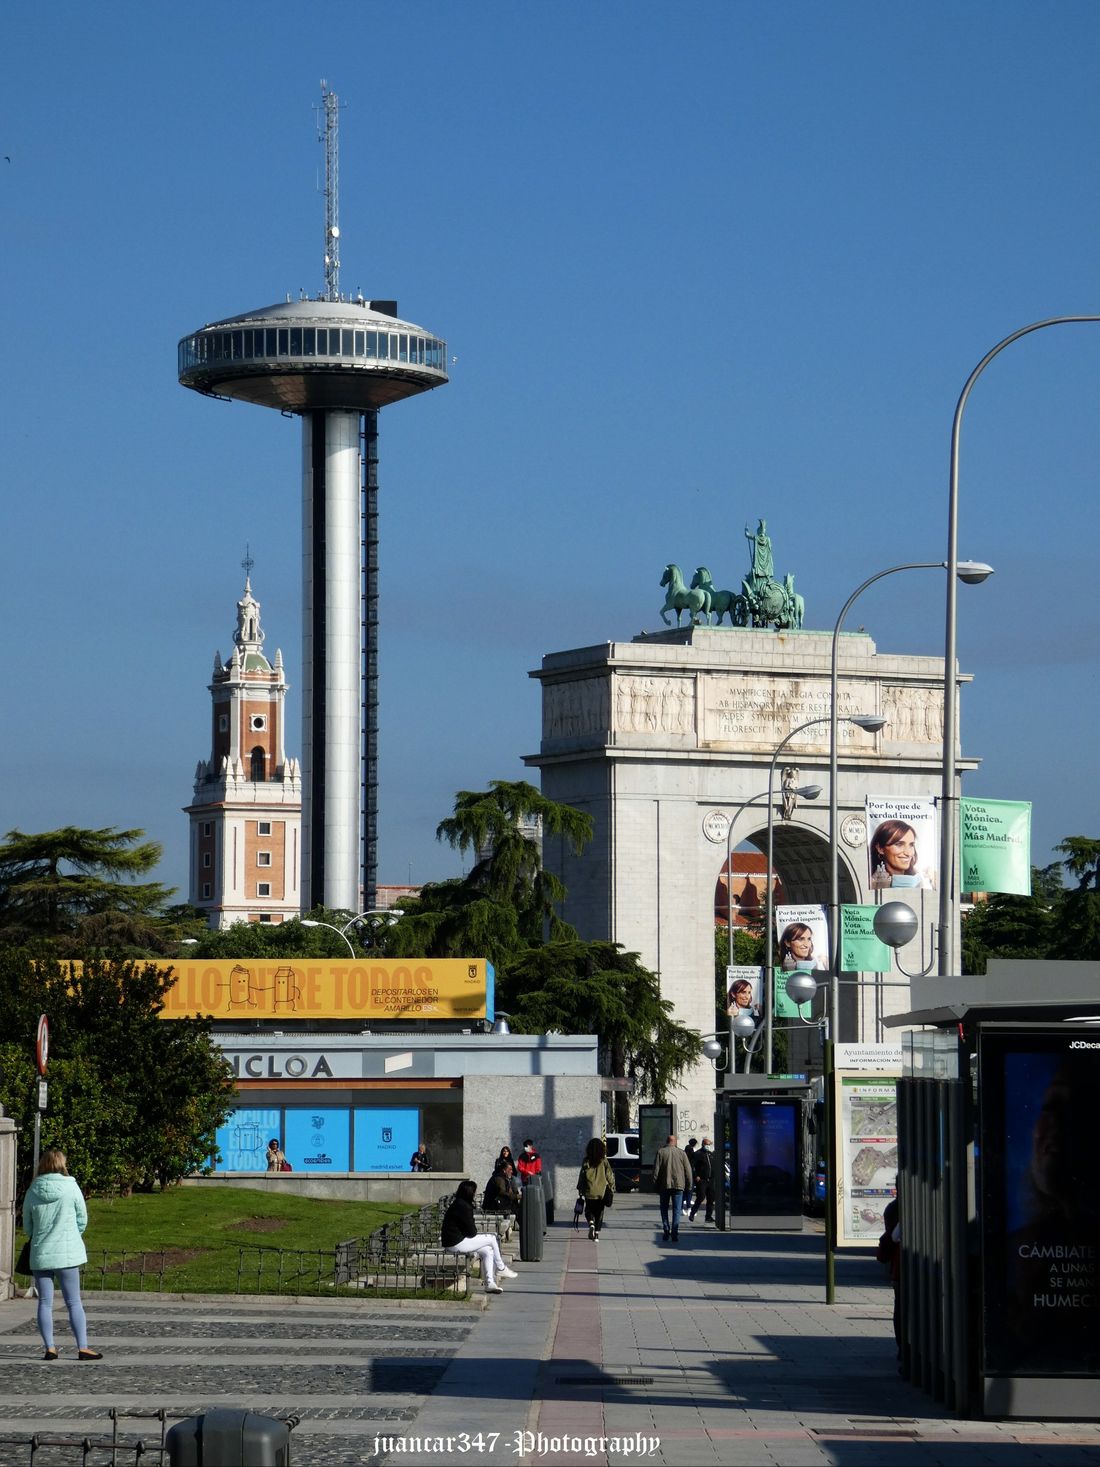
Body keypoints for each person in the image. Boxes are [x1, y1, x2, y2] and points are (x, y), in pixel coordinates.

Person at [21, 1149, 101, 1361]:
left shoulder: (32, 1190)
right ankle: (83, 1347)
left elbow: (27, 1225)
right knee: (74, 1301)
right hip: (67, 1253)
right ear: (62, 1164)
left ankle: (50, 1347)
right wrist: (73, 1235)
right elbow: (82, 1218)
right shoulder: (71, 1187)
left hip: (41, 1253)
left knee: (45, 1302)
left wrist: (38, 1236)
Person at [441, 1179, 519, 1295]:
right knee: (492, 1238)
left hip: (454, 1241)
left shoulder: (459, 1203)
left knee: (487, 1250)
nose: (475, 1194)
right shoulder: (464, 1207)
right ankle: (501, 1268)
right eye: (474, 1192)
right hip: (455, 1244)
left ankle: (490, 1284)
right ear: (470, 1193)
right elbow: (472, 1232)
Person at [869, 819, 935, 890]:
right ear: (880, 848)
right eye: (899, 844)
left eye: (911, 845)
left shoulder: (923, 878)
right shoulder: (870, 883)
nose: (908, 853)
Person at [652, 1134, 694, 1242]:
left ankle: (666, 1228)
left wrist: (655, 1184)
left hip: (664, 1185)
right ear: (675, 1142)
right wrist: (689, 1186)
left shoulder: (661, 1152)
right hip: (679, 1185)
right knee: (676, 1210)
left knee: (664, 1208)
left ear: (667, 1141)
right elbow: (688, 1171)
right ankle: (675, 1232)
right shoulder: (682, 1153)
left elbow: (656, 1170)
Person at [876, 1187, 901, 1358]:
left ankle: (902, 1346)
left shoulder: (892, 1207)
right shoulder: (902, 1208)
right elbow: (895, 1236)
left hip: (898, 1268)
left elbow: (892, 1237)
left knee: (900, 1307)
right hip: (902, 1267)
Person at [576, 1137, 615, 1241]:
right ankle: (596, 1234)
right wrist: (612, 1187)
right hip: (601, 1191)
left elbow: (582, 1176)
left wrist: (580, 1188)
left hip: (589, 1191)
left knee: (588, 1210)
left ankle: (591, 1224)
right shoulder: (604, 1161)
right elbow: (610, 1175)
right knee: (599, 1212)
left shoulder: (586, 1161)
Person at [689, 1136, 715, 1223]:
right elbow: (691, 1166)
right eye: (707, 1144)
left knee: (711, 1198)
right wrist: (695, 1176)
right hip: (702, 1180)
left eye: (709, 1145)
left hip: (711, 1180)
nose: (708, 1146)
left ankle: (708, 1216)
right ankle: (693, 1212)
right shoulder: (698, 1154)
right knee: (701, 1197)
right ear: (703, 1144)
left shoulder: (710, 1154)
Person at [683, 1138, 698, 1211]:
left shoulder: (684, 1152)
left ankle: (682, 1206)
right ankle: (688, 1206)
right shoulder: (693, 1153)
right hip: (691, 1173)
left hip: (683, 1173)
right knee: (689, 1190)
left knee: (683, 1190)